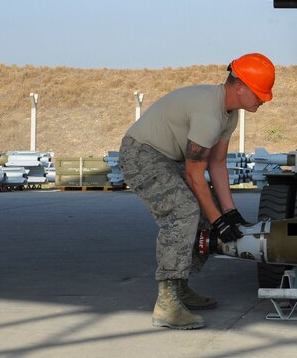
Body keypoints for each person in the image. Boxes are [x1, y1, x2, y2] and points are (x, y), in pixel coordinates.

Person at [118, 53, 275, 329]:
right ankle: (167, 303)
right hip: (142, 155)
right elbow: (194, 175)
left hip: (168, 159)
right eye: (259, 94)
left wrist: (230, 214)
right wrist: (218, 220)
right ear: (240, 87)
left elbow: (217, 164)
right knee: (184, 211)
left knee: (208, 218)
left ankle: (180, 288)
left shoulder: (229, 115)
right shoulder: (209, 114)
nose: (263, 100)